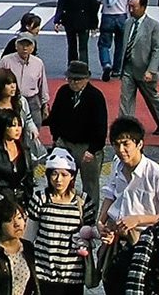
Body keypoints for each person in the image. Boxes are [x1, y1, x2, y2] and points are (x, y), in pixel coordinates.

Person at [99, 118, 159, 295]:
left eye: (126, 144)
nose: (121, 150)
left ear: (139, 143)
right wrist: (101, 222)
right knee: (112, 284)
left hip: (146, 245)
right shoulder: (117, 165)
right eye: (116, 144)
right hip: (118, 242)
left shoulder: (158, 176)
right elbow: (110, 193)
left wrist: (139, 219)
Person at [49, 59, 110, 219]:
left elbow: (101, 126)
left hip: (87, 147)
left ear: (87, 78)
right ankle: (61, 210)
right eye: (70, 79)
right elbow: (54, 116)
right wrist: (56, 138)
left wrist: (93, 149)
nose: (73, 82)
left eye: (77, 79)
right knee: (61, 180)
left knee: (90, 185)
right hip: (65, 143)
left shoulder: (96, 97)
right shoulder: (63, 92)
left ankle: (89, 217)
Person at [30, 151, 89, 295]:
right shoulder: (40, 199)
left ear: (73, 176)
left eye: (64, 175)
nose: (58, 179)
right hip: (44, 272)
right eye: (54, 174)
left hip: (72, 275)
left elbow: (90, 234)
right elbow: (29, 235)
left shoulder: (83, 202)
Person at [115, 0, 159, 133]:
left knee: (152, 99)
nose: (131, 9)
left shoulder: (154, 26)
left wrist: (151, 70)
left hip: (145, 68)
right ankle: (125, 125)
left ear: (143, 7)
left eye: (134, 7)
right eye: (130, 6)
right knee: (125, 98)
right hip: (128, 67)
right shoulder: (128, 23)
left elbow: (157, 49)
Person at [0, 109, 35, 215]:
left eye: (19, 125)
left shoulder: (24, 150)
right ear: (3, 127)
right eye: (13, 126)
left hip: (20, 202)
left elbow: (29, 179)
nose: (18, 129)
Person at [53, 0, 100, 69]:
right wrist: (94, 25)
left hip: (69, 21)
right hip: (84, 22)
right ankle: (84, 68)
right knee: (83, 47)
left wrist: (58, 21)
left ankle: (72, 67)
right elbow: (93, 9)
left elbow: (61, 5)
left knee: (72, 45)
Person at [97, 0, 135, 82]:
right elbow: (133, 1)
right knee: (121, 44)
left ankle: (106, 64)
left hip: (107, 16)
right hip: (122, 16)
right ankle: (117, 70)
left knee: (104, 44)